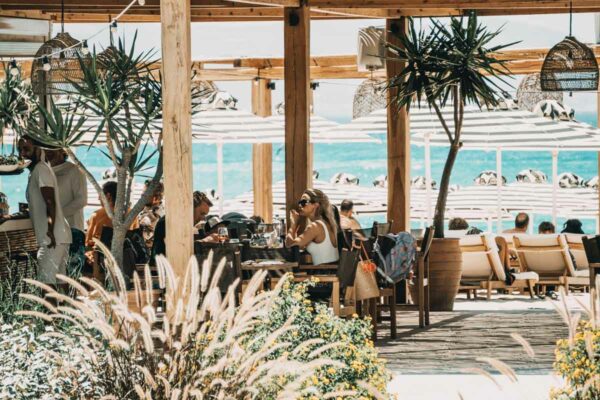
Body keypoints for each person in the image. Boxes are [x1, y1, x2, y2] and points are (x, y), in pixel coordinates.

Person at [17, 137, 72, 286]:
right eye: (20, 149)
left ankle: (53, 310)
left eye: (26, 149)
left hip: (52, 237)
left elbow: (50, 201)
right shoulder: (39, 170)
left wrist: (50, 230)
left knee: (47, 287)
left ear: (38, 149)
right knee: (61, 286)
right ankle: (65, 310)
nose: (22, 153)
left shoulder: (41, 169)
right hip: (58, 235)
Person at [45, 149, 87, 272]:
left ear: (61, 149)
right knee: (54, 274)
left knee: (72, 275)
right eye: (46, 148)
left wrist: (57, 215)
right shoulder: (44, 171)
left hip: (72, 229)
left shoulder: (74, 170)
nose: (48, 151)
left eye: (52, 147)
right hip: (51, 231)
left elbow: (81, 200)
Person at [152, 191, 216, 260]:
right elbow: (181, 250)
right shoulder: (171, 221)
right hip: (161, 268)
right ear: (190, 208)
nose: (203, 218)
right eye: (202, 213)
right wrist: (206, 240)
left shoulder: (182, 222)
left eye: (205, 215)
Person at [285, 188, 339, 265]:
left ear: (316, 205)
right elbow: (297, 247)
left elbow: (290, 248)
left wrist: (293, 225)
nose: (300, 205)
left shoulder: (315, 227)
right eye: (300, 202)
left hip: (321, 274)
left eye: (303, 202)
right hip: (329, 272)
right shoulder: (326, 223)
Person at [85, 181, 139, 249]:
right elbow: (136, 237)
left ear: (108, 196)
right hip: (127, 253)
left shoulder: (97, 215)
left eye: (100, 195)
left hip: (102, 255)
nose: (98, 198)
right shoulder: (132, 214)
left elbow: (88, 242)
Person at [138, 180, 164, 249]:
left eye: (145, 194)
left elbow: (135, 225)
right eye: (143, 193)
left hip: (146, 253)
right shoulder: (148, 207)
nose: (142, 195)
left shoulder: (154, 214)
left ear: (155, 198)